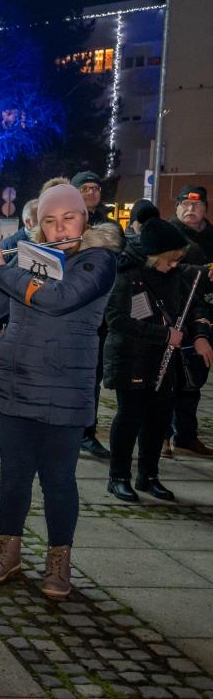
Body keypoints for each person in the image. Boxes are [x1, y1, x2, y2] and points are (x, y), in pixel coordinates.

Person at [0, 183, 122, 599]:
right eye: (50, 221)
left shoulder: (98, 260)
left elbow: (59, 299)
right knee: (13, 476)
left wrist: (1, 270)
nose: (60, 228)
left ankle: (58, 563)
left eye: (69, 218)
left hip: (64, 388)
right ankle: (8, 552)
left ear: (84, 219)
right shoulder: (30, 257)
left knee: (58, 480)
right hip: (14, 384)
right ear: (39, 225)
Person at [104, 214, 212, 503]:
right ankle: (118, 477)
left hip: (163, 360)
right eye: (171, 260)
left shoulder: (173, 275)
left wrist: (200, 336)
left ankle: (149, 476)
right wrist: (164, 335)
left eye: (178, 260)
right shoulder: (127, 274)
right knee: (130, 417)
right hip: (130, 358)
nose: (175, 265)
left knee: (159, 419)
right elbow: (116, 320)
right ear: (155, 256)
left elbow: (194, 309)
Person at [169, 185, 213, 456]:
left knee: (194, 378)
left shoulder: (211, 237)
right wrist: (202, 272)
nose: (190, 209)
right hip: (174, 314)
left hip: (206, 315)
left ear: (205, 208)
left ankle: (186, 435)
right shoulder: (168, 234)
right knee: (167, 379)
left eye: (196, 205)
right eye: (185, 204)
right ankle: (161, 436)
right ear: (176, 207)